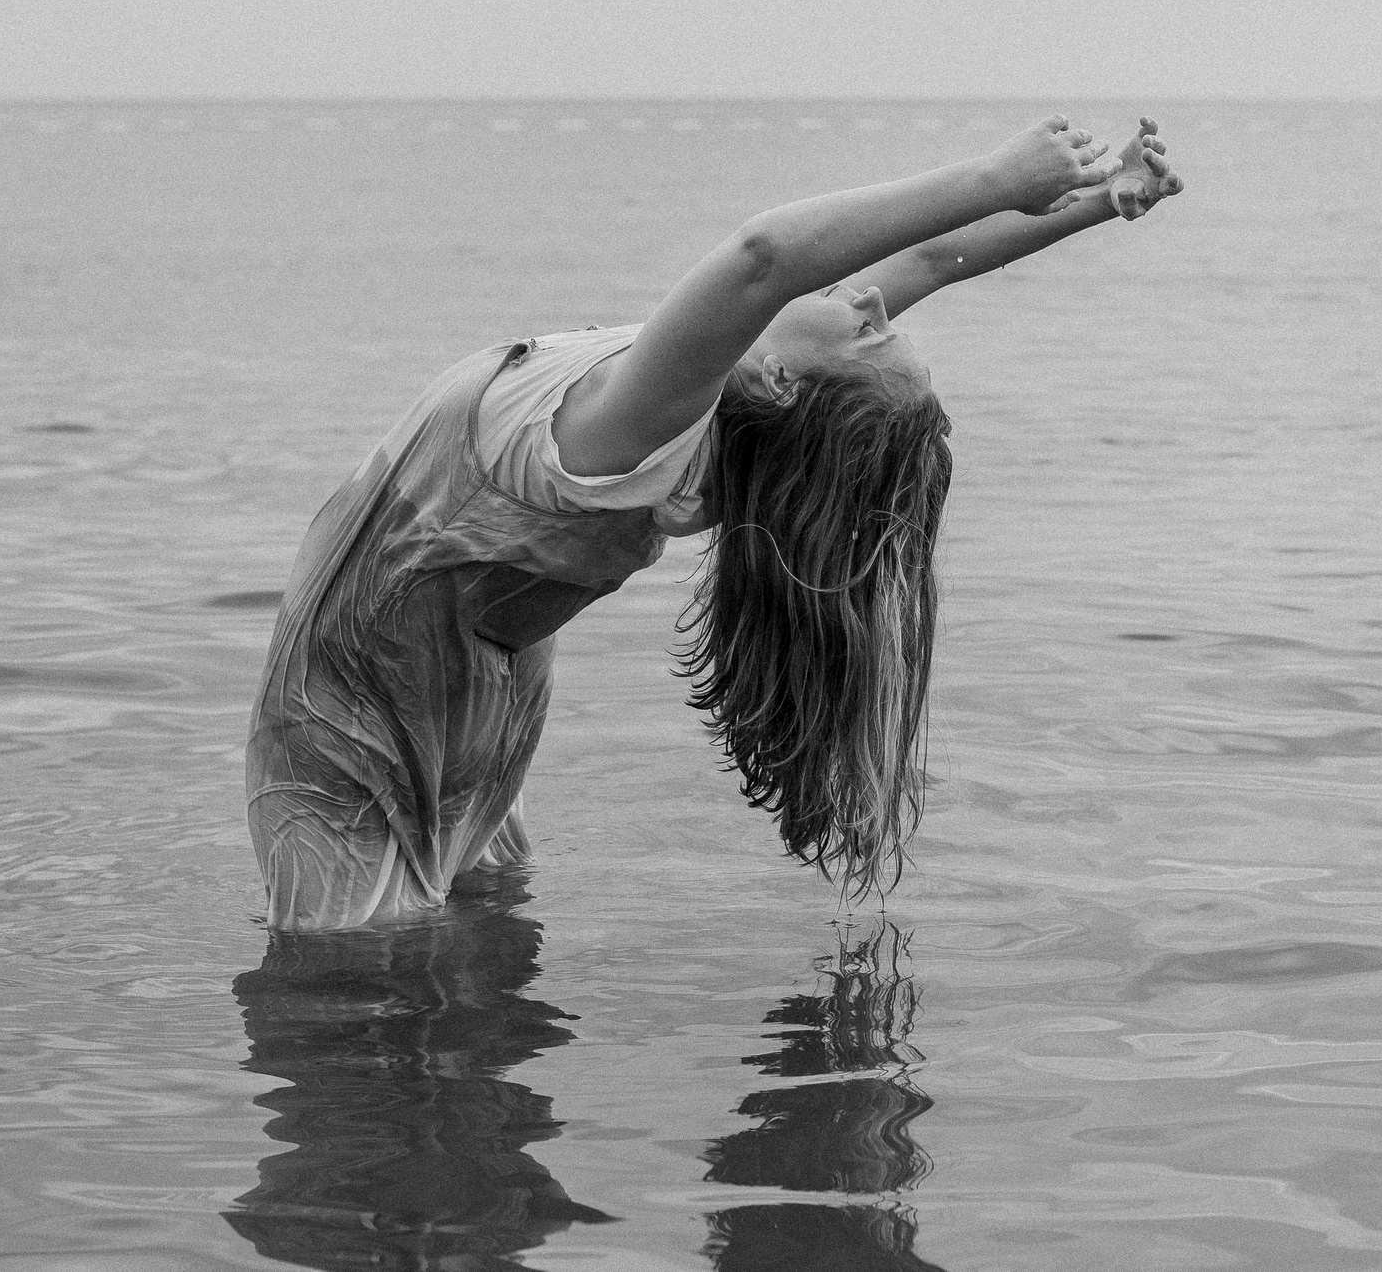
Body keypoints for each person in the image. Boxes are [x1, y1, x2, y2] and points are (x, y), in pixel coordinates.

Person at [247, 117, 1184, 931]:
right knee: (466, 950)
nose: (866, 298)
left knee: (354, 1004)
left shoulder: (632, 422)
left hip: (354, 701)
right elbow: (937, 258)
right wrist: (1103, 198)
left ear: (781, 383)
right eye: (878, 315)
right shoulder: (733, 405)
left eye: (869, 330)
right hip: (466, 683)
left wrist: (995, 175)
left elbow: (765, 256)